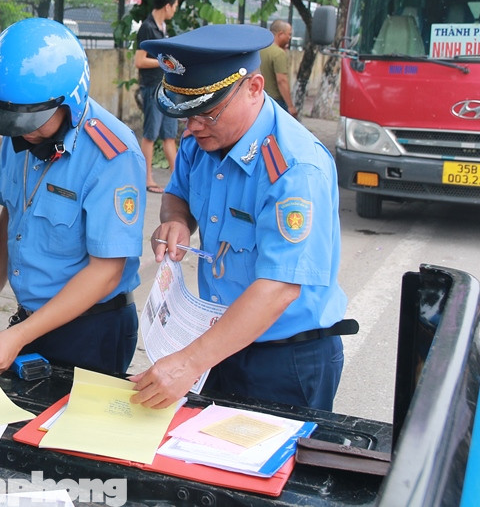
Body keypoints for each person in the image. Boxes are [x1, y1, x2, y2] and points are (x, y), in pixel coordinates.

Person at [132, 24, 351, 412]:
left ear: (253, 88)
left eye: (208, 112)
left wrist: (189, 361)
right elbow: (177, 195)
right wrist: (177, 221)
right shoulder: (200, 141)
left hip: (286, 360)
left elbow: (279, 288)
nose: (193, 125)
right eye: (186, 113)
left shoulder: (295, 168)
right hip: (219, 342)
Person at [0, 18, 146, 377]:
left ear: (71, 102)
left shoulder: (113, 155)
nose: (23, 135)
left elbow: (107, 272)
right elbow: (13, 215)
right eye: (13, 122)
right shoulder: (20, 129)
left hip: (93, 330)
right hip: (30, 323)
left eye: (33, 123)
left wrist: (19, 335)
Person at [134, 0, 181, 193]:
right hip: (152, 86)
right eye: (175, 6)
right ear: (168, 5)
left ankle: (179, 179)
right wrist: (165, 64)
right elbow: (140, 61)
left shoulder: (162, 28)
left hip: (166, 87)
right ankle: (147, 179)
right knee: (150, 135)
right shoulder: (147, 27)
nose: (175, 10)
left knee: (169, 135)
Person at [260, 19, 297, 117]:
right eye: (288, 34)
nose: (289, 37)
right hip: (275, 101)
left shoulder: (260, 49)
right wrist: (290, 106)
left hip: (260, 99)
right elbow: (282, 80)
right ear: (280, 34)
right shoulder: (278, 54)